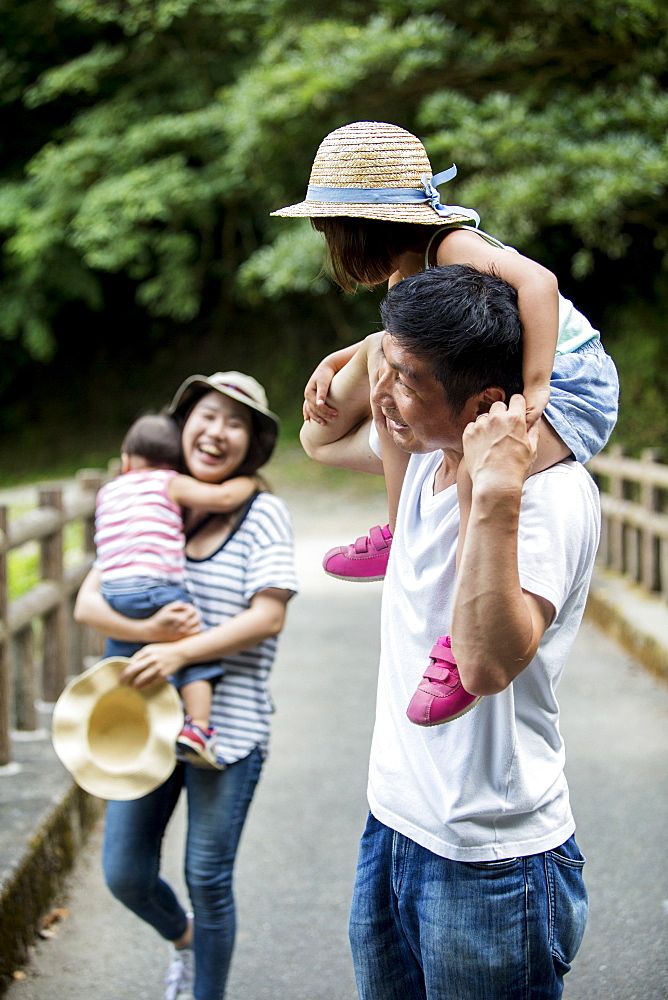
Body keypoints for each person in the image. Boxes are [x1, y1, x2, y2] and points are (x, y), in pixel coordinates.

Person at [300, 264, 600, 1000]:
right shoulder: (430, 452)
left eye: (406, 381)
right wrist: (360, 357)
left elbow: (483, 663)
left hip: (490, 861)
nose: (381, 398)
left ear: (487, 403)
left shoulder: (546, 499)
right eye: (386, 370)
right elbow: (317, 436)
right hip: (395, 825)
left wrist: (493, 496)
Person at [273, 120, 617, 721]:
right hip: (508, 378)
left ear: (367, 228)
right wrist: (342, 360)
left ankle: (464, 640)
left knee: (474, 464)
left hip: (570, 383)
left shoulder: (450, 247)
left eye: (335, 234)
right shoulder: (410, 272)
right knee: (386, 364)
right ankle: (395, 528)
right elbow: (389, 342)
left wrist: (536, 392)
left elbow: (539, 283)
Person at [74, 371, 298, 1000]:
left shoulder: (262, 512)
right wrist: (150, 631)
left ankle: (206, 991)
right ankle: (186, 942)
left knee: (207, 878)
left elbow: (269, 614)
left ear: (251, 443)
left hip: (226, 729)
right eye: (207, 415)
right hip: (146, 723)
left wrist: (180, 655)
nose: (217, 431)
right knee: (125, 873)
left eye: (236, 422)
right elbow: (89, 604)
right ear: (182, 426)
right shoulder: (151, 500)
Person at [95, 411, 258, 767]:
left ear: (125, 461)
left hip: (113, 590)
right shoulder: (168, 482)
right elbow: (223, 499)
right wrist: (248, 483)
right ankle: (198, 727)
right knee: (190, 649)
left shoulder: (108, 491)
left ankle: (117, 719)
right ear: (174, 461)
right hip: (158, 589)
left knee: (123, 655)